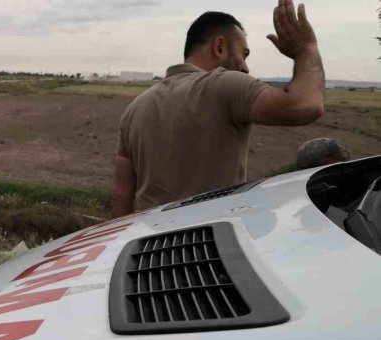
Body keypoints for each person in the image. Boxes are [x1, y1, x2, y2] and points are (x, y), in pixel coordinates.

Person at [111, 0, 325, 218]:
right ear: (219, 47)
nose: (245, 66)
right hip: (210, 244)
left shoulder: (134, 108)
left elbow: (121, 199)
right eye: (244, 53)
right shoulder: (224, 84)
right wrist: (305, 49)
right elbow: (306, 105)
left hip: (152, 246)